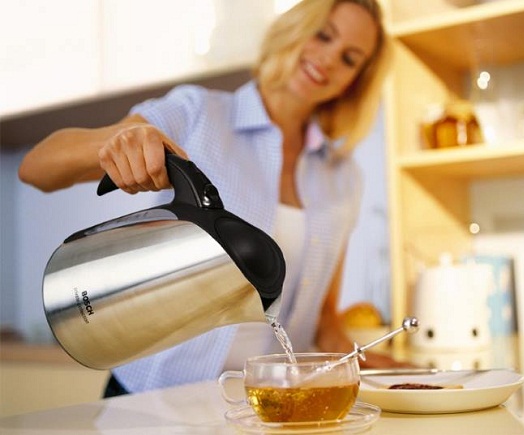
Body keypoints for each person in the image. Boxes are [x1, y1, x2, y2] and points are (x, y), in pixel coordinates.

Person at [19, 0, 407, 397]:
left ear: (355, 80)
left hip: (259, 406)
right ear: (293, 28)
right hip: (152, 401)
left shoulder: (342, 178)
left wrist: (380, 367)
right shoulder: (197, 115)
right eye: (323, 35)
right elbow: (36, 168)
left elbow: (322, 321)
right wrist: (120, 142)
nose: (327, 58)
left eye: (349, 58)